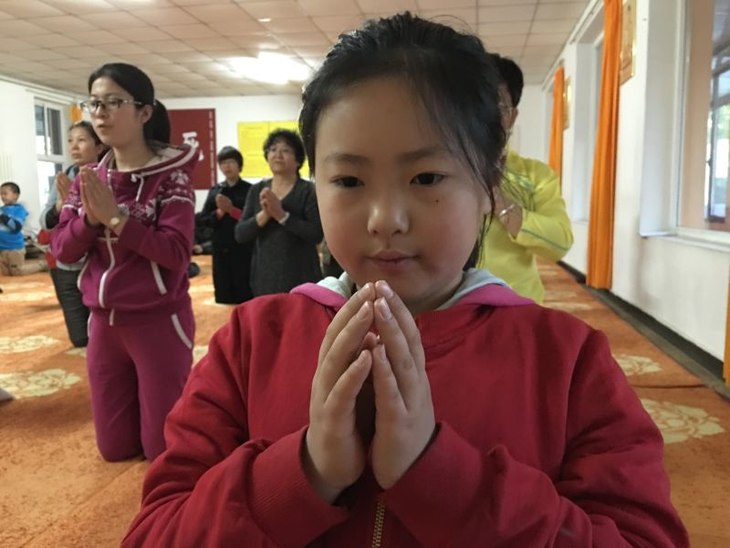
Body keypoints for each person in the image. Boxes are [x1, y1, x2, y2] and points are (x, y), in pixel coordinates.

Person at [123, 13, 687, 547]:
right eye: (348, 180)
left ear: (489, 185)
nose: (385, 219)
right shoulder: (249, 344)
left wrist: (443, 477)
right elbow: (155, 532)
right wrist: (306, 471)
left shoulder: (567, 362)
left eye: (426, 177)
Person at [51, 63, 198, 462]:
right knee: (113, 449)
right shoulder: (89, 178)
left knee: (161, 449)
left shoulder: (171, 178)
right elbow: (62, 249)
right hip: (103, 322)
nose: (100, 113)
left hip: (157, 320)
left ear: (144, 112)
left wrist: (117, 219)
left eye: (113, 102)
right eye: (94, 103)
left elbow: (176, 253)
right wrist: (89, 220)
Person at [477, 54, 573, 303]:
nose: (484, 117)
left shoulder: (535, 176)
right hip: (447, 305)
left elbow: (559, 242)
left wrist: (500, 201)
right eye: (476, 104)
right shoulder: (436, 170)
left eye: (497, 107)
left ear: (511, 116)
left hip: (516, 302)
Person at [39, 121, 106, 347]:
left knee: (101, 337)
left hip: (97, 265)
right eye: (70, 141)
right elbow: (45, 221)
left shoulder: (108, 176)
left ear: (98, 146)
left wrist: (75, 202)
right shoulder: (65, 177)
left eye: (81, 140)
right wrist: (60, 206)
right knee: (80, 339)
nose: (74, 147)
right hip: (66, 266)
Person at [234, 128, 323, 295]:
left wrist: (282, 215)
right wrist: (265, 214)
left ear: (298, 160)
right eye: (273, 149)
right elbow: (240, 234)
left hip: (302, 276)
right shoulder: (257, 190)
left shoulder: (308, 190)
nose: (278, 155)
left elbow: (316, 234)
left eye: (286, 150)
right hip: (264, 276)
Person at [199, 146, 253, 304]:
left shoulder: (249, 190)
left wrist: (231, 210)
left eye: (231, 162)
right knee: (223, 293)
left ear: (239, 165)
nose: (227, 166)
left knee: (244, 292)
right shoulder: (215, 190)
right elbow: (203, 219)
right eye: (223, 163)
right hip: (220, 247)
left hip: (243, 247)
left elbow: (253, 219)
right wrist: (219, 213)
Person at [0, 182, 46, 276]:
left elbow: (16, 227)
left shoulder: (19, 210)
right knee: (4, 273)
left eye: (5, 193)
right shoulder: (2, 210)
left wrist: (2, 216)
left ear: (15, 195)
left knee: (17, 271)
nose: (2, 196)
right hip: (2, 248)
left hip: (14, 248)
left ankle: (42, 265)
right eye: (1, 194)